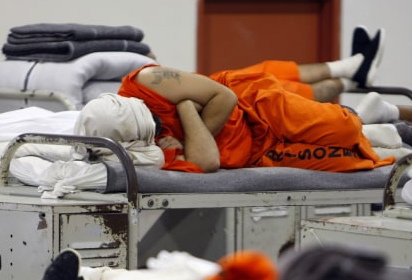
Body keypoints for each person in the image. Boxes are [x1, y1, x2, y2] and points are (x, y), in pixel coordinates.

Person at [113, 27, 394, 174]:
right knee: (348, 158)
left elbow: (223, 98)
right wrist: (188, 106)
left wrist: (189, 135)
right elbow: (206, 158)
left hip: (251, 106)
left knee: (343, 126)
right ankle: (355, 83)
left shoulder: (142, 85)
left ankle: (350, 74)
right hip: (252, 151)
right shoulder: (141, 152)